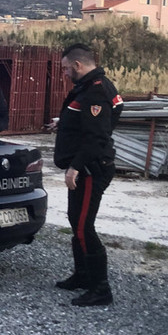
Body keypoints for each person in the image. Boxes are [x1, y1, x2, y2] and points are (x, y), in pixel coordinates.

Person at [51, 42, 124, 307]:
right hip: (86, 165)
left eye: (65, 69)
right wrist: (64, 124)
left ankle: (100, 288)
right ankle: (82, 275)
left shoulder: (96, 92)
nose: (64, 73)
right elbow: (88, 122)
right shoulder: (90, 86)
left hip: (91, 168)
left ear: (78, 65)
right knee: (75, 220)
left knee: (84, 226)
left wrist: (76, 167)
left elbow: (97, 136)